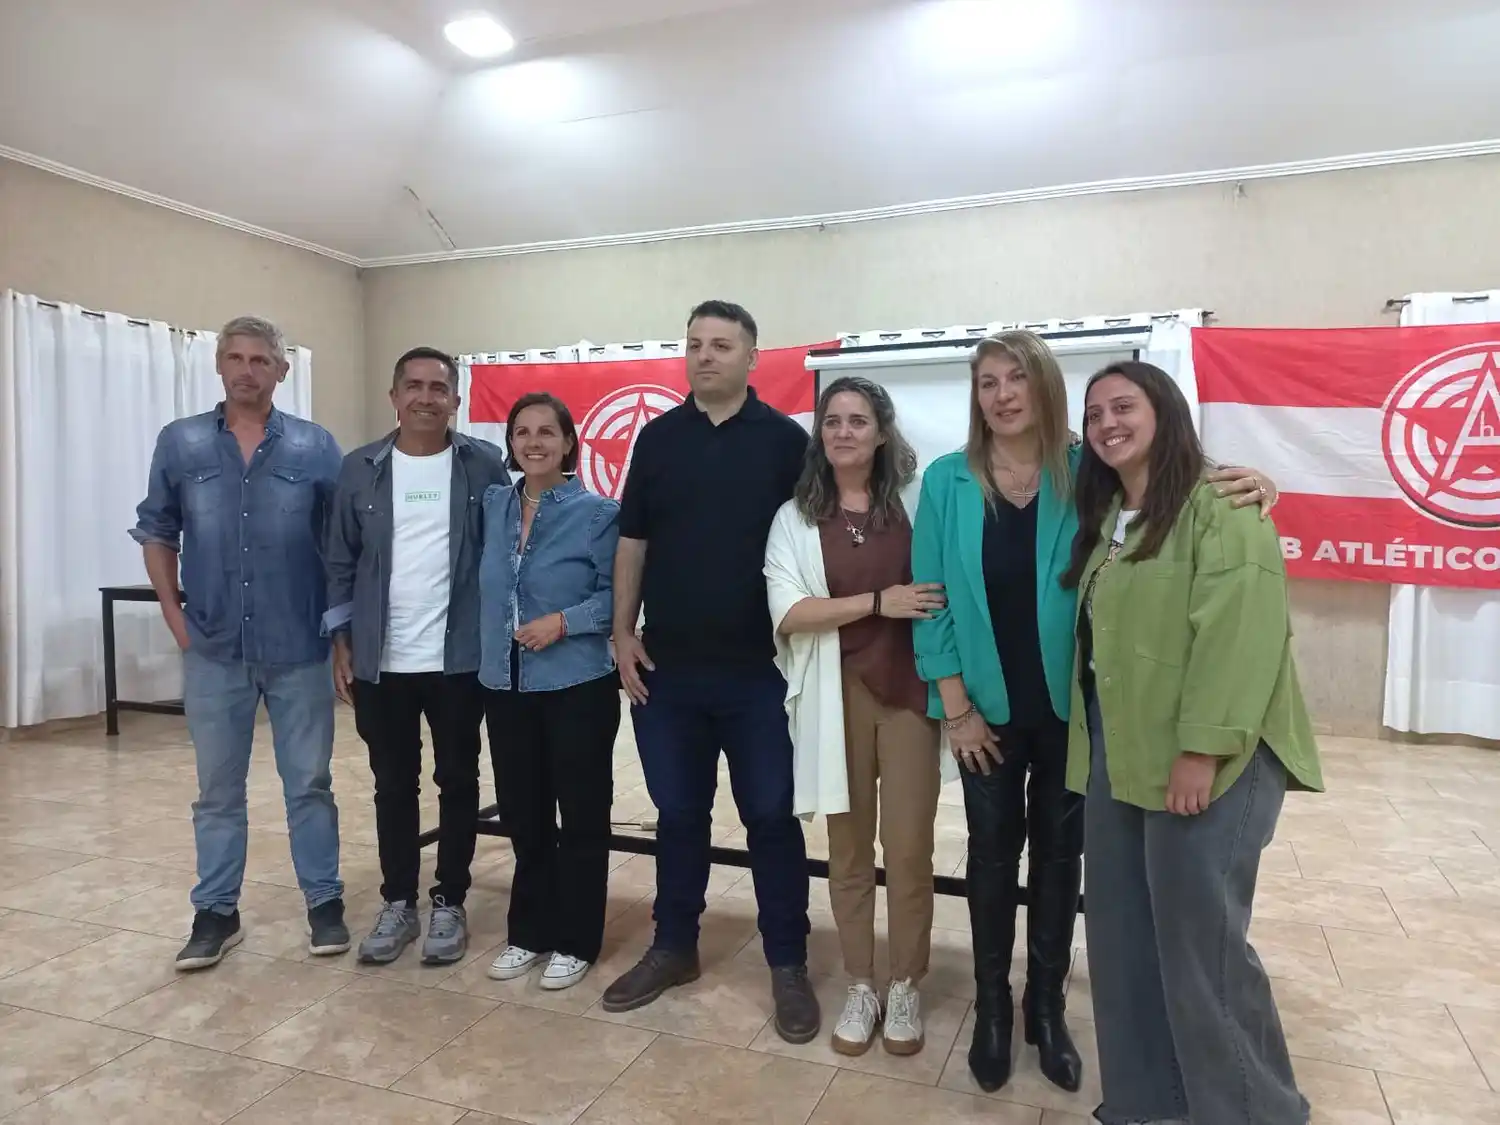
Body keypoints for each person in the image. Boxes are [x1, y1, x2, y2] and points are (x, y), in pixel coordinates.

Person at [911, 330, 1279, 1093]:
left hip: (1076, 711)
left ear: (1044, 387)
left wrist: (1253, 480)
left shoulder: (1088, 471)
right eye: (987, 382)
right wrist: (954, 706)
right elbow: (931, 598)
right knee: (989, 855)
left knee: (1060, 858)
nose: (1002, 394)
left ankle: (1044, 1008)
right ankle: (991, 1009)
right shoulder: (947, 480)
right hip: (984, 710)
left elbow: (1166, 490)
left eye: (1016, 378)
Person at [1061, 360, 1323, 1125]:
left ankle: (1254, 1111)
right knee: (1122, 937)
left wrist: (1201, 750)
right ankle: (1148, 1101)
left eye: (1123, 406)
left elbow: (1241, 636)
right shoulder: (1111, 518)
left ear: (1166, 411)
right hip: (1119, 751)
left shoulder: (1224, 506)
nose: (1107, 422)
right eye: (1094, 412)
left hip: (1210, 757)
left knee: (1199, 945)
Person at [602, 300, 821, 1044]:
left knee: (771, 819)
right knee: (679, 817)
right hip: (667, 673)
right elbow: (633, 541)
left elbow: (814, 541)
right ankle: (674, 947)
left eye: (722, 345)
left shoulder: (786, 442)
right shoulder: (658, 439)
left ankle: (788, 962)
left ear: (752, 357)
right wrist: (622, 630)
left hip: (761, 675)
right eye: (694, 343)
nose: (704, 355)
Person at [132, 315, 349, 970]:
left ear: (282, 370)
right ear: (219, 365)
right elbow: (157, 531)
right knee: (217, 791)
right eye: (235, 357)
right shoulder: (182, 442)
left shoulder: (315, 446)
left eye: (260, 359)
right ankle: (216, 912)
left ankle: (324, 901)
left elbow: (341, 545)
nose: (247, 370)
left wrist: (341, 633)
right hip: (214, 648)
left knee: (309, 783)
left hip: (299, 645)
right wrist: (174, 616)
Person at [764, 376, 955, 1058]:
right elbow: (790, 612)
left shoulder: (918, 500)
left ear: (881, 432)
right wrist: (879, 602)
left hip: (908, 695)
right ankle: (861, 982)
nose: (843, 431)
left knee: (907, 849)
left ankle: (904, 982)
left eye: (858, 420)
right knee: (847, 851)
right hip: (835, 696)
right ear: (820, 433)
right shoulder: (795, 517)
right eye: (832, 420)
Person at [323, 347, 510, 966]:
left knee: (458, 780)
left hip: (459, 660)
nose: (426, 397)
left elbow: (505, 552)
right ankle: (398, 901)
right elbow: (340, 560)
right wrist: (341, 641)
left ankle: (450, 900)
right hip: (383, 661)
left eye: (438, 387)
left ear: (455, 399)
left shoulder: (484, 465)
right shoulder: (360, 469)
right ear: (394, 397)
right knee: (392, 785)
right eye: (414, 386)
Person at [477, 392, 622, 992]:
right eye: (522, 432)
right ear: (510, 443)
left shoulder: (598, 513)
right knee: (524, 814)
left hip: (576, 685)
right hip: (505, 684)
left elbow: (622, 597)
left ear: (568, 443)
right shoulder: (493, 505)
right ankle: (529, 931)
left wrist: (564, 622)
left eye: (546, 432)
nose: (533, 442)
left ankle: (577, 939)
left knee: (581, 815)